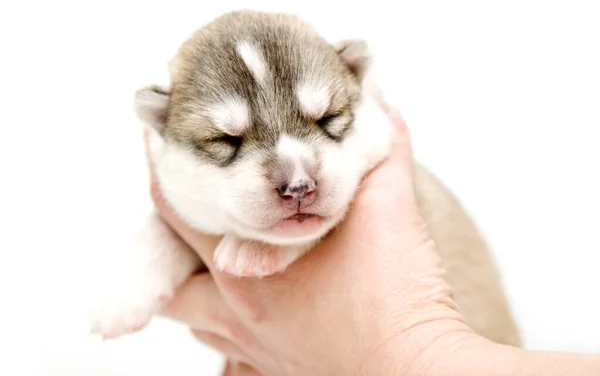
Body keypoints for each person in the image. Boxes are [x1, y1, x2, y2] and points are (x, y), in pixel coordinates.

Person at [145, 103, 600, 376]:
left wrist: (400, 353)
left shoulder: (373, 151)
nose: (298, 183)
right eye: (229, 140)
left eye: (325, 120)